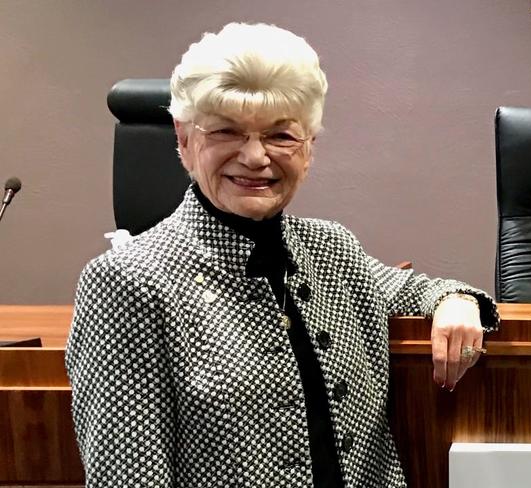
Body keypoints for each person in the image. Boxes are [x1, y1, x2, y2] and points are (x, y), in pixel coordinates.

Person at [65, 22, 499, 488]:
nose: (255, 156)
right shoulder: (126, 281)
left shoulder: (333, 249)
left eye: (281, 136)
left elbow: (418, 289)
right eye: (227, 131)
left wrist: (456, 300)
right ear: (184, 139)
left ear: (309, 147)